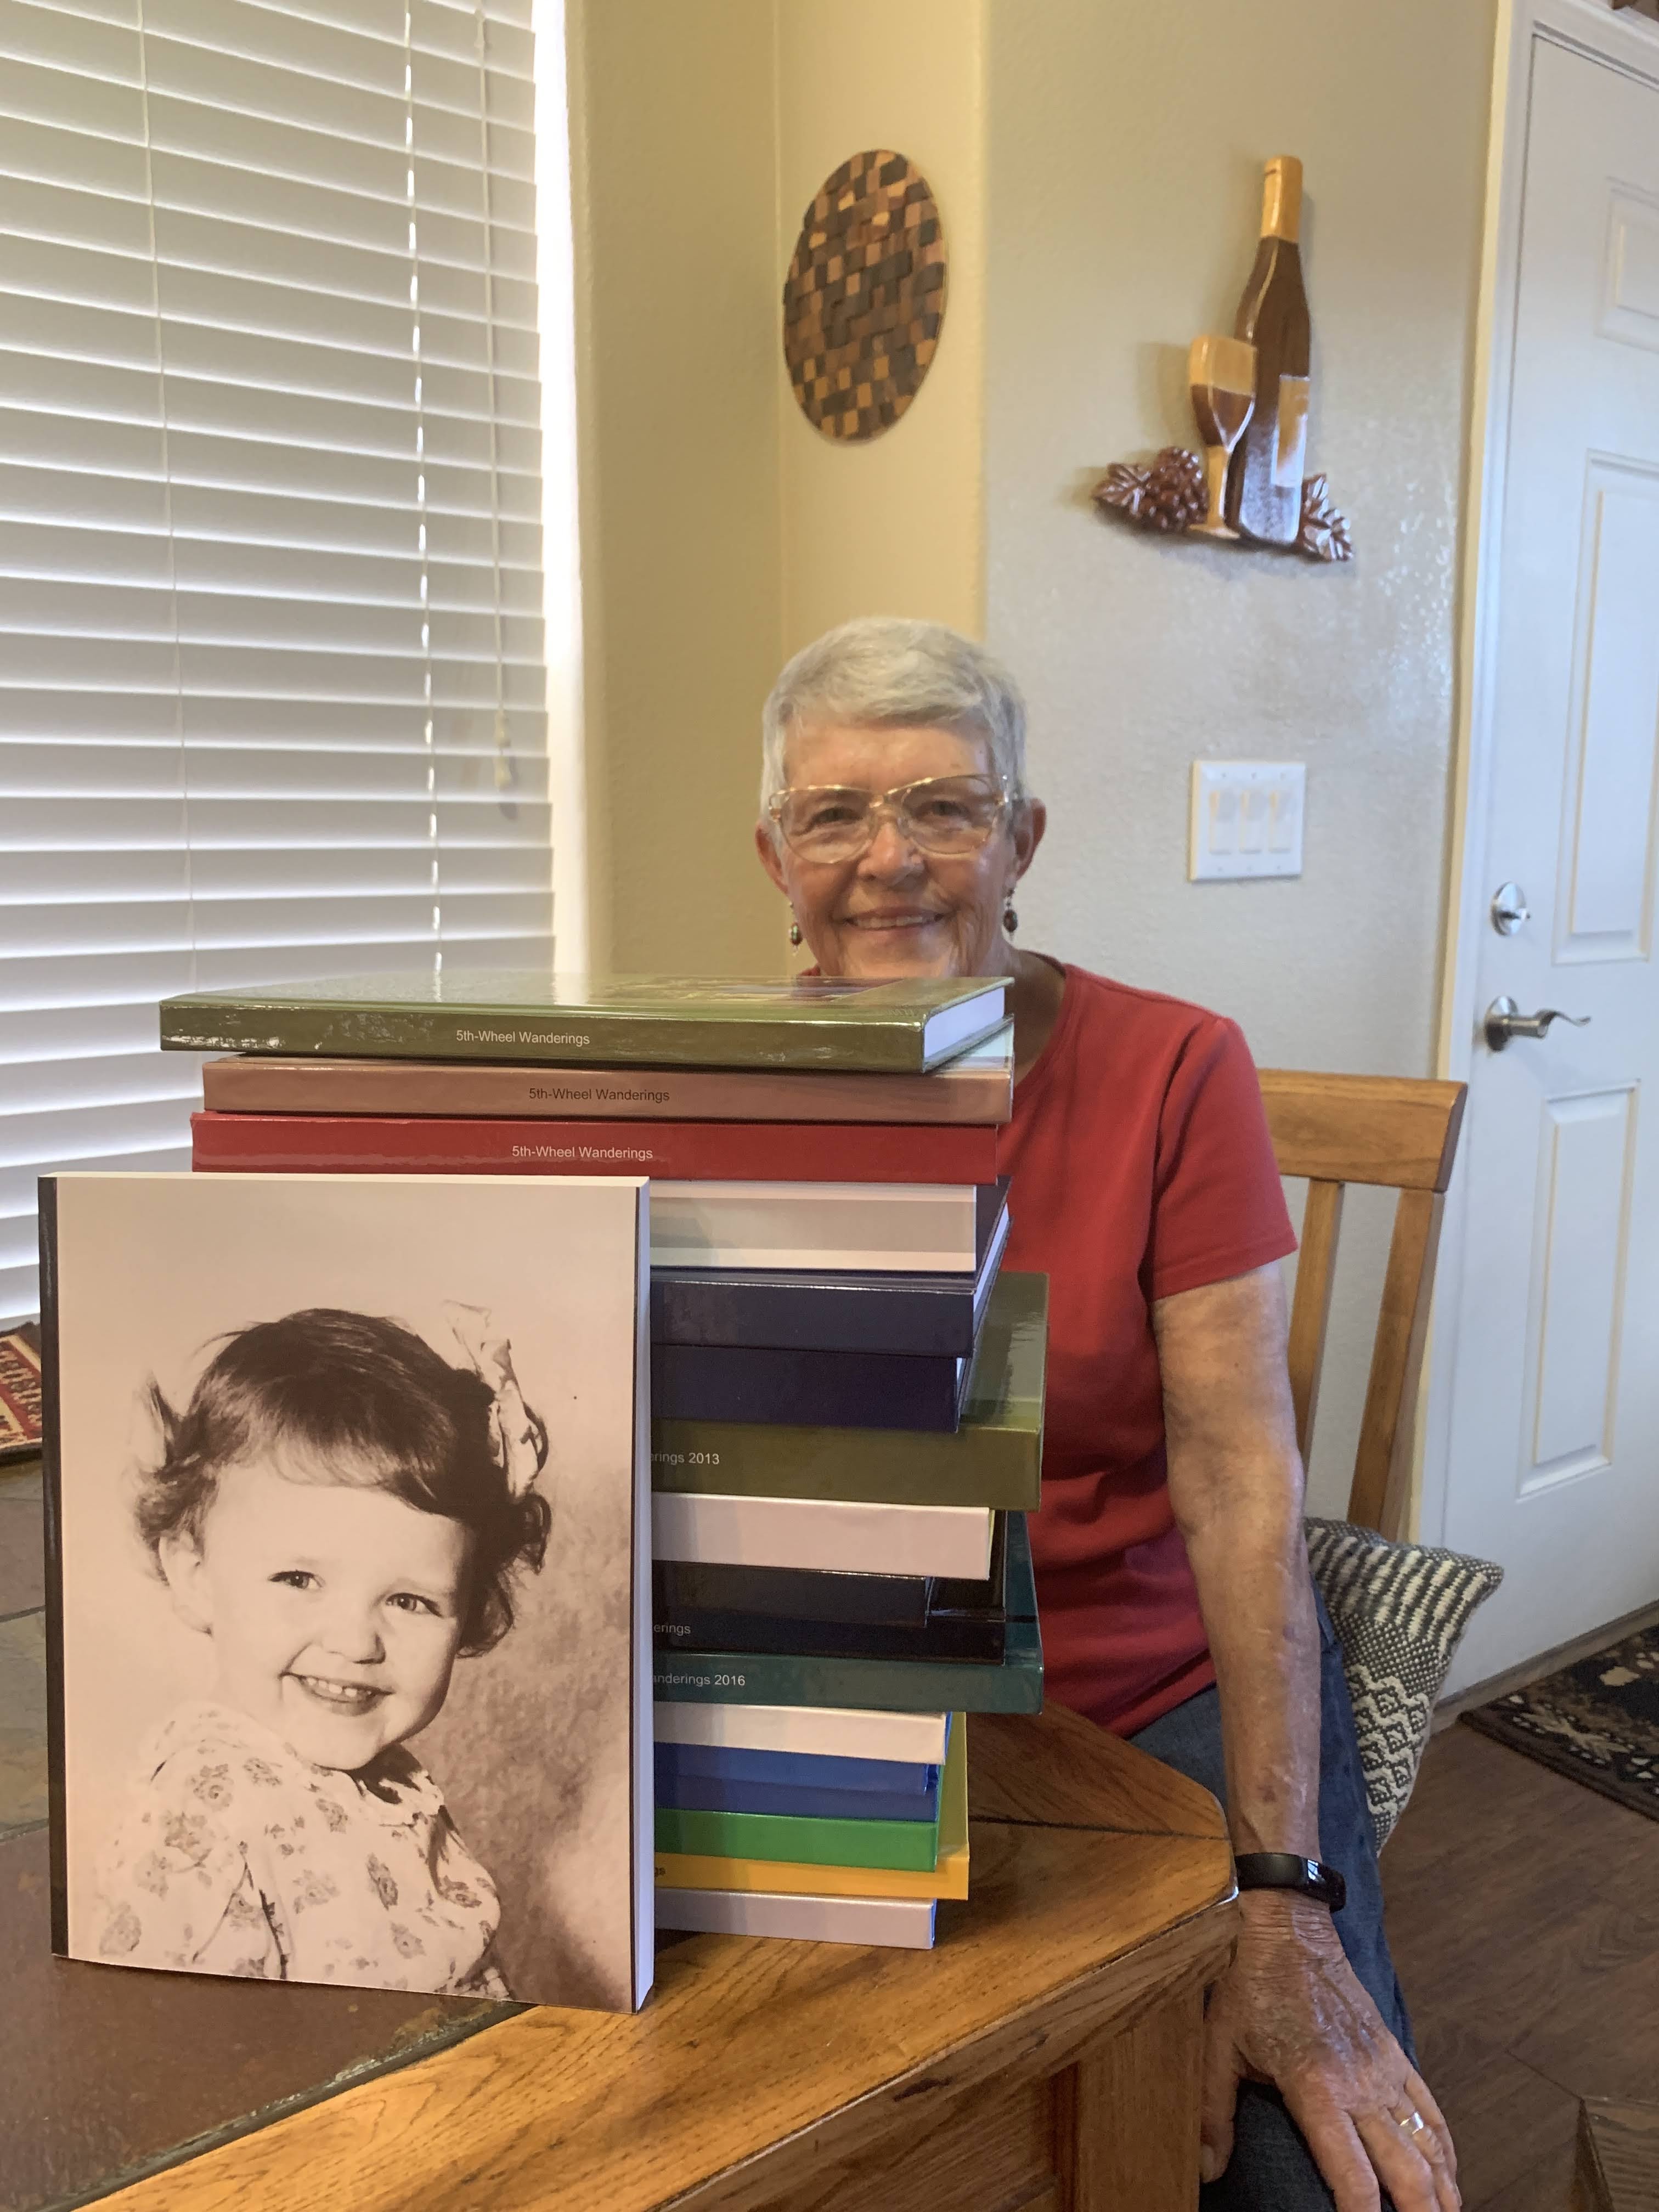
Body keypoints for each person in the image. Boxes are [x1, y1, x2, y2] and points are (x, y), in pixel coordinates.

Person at [754, 617, 1460, 2212]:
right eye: (835, 813)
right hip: (850, 1700)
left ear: (1022, 840)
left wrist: (1281, 1899)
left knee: (1298, 2169)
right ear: (774, 858)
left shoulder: (1174, 1069)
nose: (890, 859)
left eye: (945, 808)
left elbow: (1240, 1478)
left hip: (1144, 1696)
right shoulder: (720, 1081)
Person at [94, 1303, 550, 1997]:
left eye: (409, 1601)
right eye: (299, 1580)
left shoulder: (384, 1780)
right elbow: (187, 2046)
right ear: (195, 1575)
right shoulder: (208, 1814)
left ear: (469, 1614)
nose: (356, 1642)